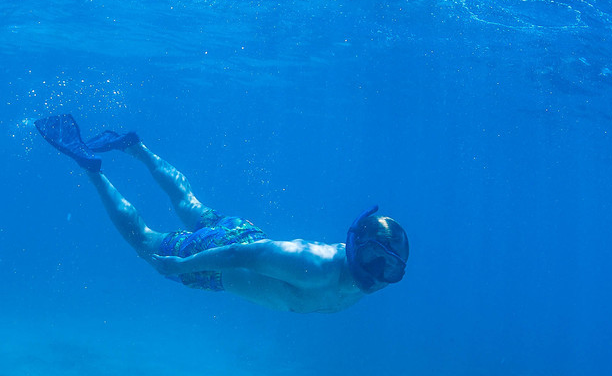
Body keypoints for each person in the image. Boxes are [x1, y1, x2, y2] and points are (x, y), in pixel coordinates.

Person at [35, 114, 408, 313]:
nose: (378, 275)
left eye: (390, 268)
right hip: (221, 262)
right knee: (144, 242)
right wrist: (181, 266)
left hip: (241, 236)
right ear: (354, 245)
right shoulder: (316, 265)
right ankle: (91, 168)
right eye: (374, 259)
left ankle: (136, 148)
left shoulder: (359, 279)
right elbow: (238, 257)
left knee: (190, 205)